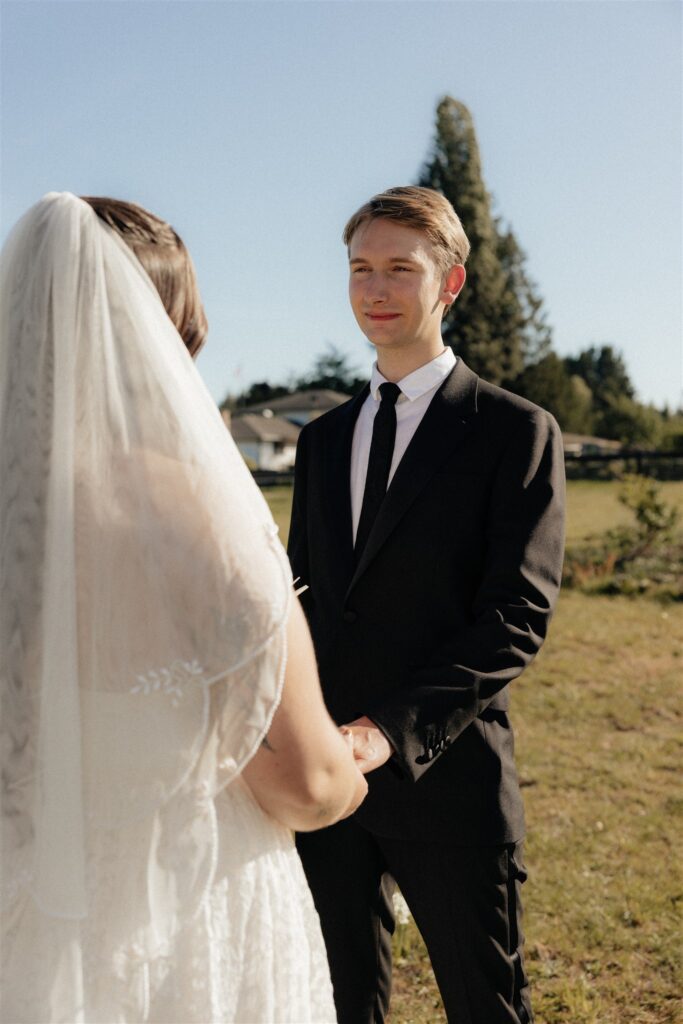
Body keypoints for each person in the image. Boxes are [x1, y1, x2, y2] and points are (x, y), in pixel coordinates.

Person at [0, 191, 367, 1024]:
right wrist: (353, 772)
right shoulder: (194, 514)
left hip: (26, 929)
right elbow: (304, 784)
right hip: (190, 928)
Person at [288, 185, 566, 1024]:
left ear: (448, 284)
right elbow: (301, 597)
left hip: (447, 782)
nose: (374, 289)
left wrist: (388, 731)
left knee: (486, 1009)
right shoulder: (321, 436)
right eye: (360, 268)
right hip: (322, 779)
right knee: (339, 1007)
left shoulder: (514, 431)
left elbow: (514, 618)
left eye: (399, 270)